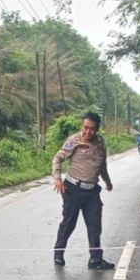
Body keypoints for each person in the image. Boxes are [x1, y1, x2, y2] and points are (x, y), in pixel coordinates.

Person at [52, 112, 115, 270]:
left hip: (92, 191)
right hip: (73, 189)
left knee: (95, 225)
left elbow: (102, 165)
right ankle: (58, 253)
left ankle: (95, 259)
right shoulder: (73, 141)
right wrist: (57, 178)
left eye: (91, 129)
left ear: (97, 129)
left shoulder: (101, 142)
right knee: (69, 223)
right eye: (85, 128)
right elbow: (57, 158)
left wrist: (107, 181)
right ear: (82, 126)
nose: (88, 132)